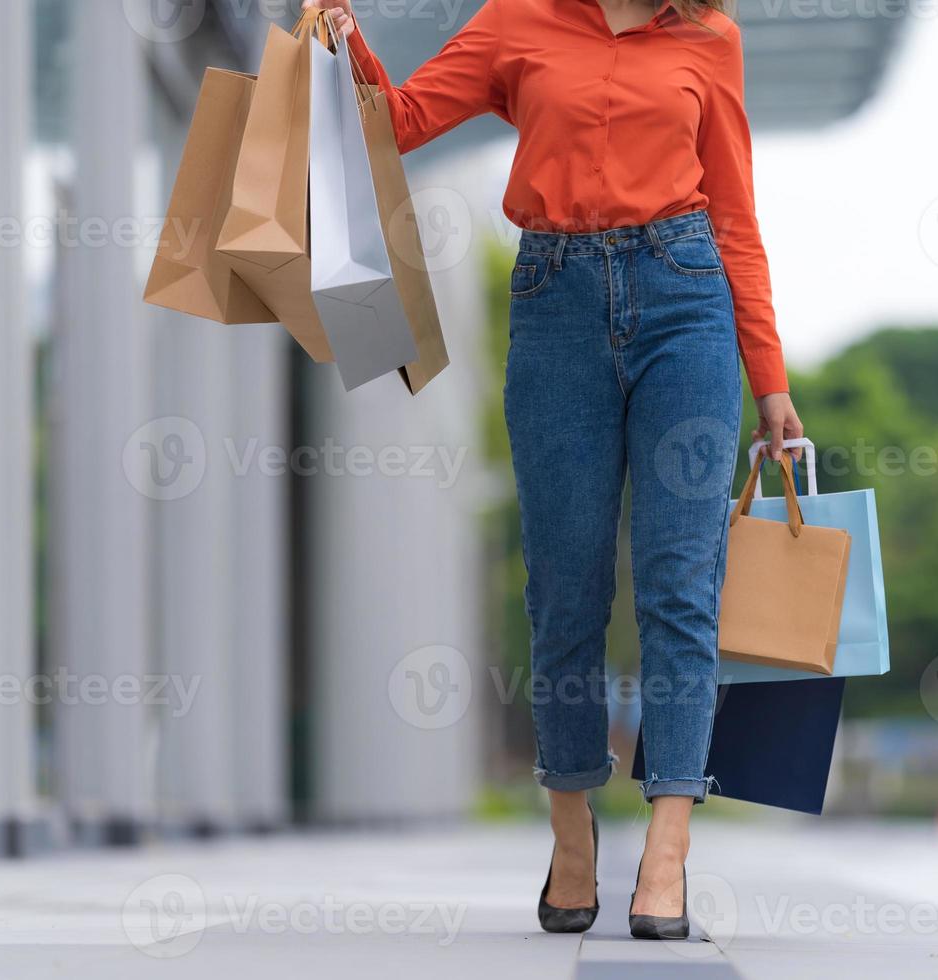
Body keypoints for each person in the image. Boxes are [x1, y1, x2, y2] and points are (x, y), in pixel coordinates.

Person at [302, 0, 804, 939]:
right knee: (564, 589)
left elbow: (735, 217)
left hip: (686, 302)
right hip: (554, 305)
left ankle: (668, 853)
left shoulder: (710, 38)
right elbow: (400, 123)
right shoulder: (515, 21)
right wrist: (346, 38)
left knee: (681, 584)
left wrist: (769, 380)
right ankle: (572, 837)